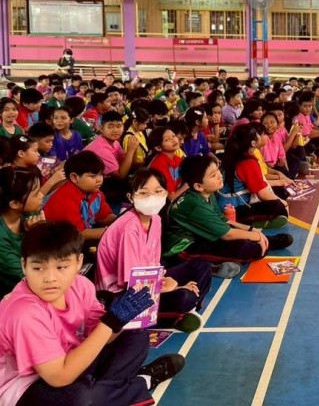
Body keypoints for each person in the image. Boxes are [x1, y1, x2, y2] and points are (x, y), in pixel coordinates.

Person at [0, 221, 185, 405]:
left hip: (70, 362)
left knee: (136, 336)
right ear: (24, 265)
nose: (50, 278)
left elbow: (103, 336)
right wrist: (110, 321)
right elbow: (59, 377)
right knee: (82, 399)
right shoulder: (24, 312)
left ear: (78, 262)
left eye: (61, 267)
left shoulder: (81, 285)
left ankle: (107, 392)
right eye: (38, 268)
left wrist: (123, 317)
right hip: (27, 387)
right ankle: (140, 383)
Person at [96, 169, 212, 333]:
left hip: (149, 283)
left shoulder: (155, 220)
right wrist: (170, 288)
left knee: (201, 266)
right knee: (183, 297)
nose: (152, 198)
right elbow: (132, 284)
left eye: (158, 191)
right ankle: (181, 311)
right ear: (131, 197)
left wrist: (164, 280)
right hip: (122, 296)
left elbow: (154, 265)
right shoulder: (128, 228)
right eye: (144, 193)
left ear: (166, 193)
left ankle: (184, 310)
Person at [164, 155, 292, 269]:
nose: (220, 176)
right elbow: (227, 235)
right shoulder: (195, 205)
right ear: (198, 186)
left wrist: (251, 230)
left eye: (218, 170)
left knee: (247, 238)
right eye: (213, 175)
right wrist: (257, 237)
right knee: (251, 249)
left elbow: (223, 219)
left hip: (204, 235)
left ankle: (266, 242)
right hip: (184, 248)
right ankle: (211, 267)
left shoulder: (207, 193)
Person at [219, 125, 290, 228]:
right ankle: (249, 222)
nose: (261, 135)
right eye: (258, 134)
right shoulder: (247, 163)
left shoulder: (236, 155)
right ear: (253, 143)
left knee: (279, 193)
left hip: (225, 203)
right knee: (278, 207)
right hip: (234, 208)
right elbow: (263, 194)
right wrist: (284, 204)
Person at [43, 151, 116, 244]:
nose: (99, 180)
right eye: (93, 176)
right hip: (57, 243)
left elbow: (104, 217)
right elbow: (77, 233)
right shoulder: (65, 198)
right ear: (74, 178)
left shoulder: (96, 194)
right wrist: (112, 231)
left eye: (101, 174)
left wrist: (122, 220)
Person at [0, 167, 45, 298]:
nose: (41, 196)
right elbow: (27, 275)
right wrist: (37, 234)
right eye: (36, 194)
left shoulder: (29, 214)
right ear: (15, 203)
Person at [147, 127, 187, 202]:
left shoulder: (177, 159)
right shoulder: (159, 164)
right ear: (158, 147)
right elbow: (172, 197)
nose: (173, 140)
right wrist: (189, 184)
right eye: (167, 140)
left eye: (173, 136)